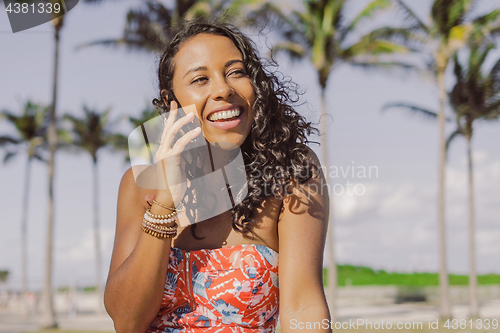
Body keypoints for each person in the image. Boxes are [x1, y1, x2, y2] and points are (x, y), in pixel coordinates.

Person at [104, 20, 331, 333]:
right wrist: (165, 203)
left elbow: (303, 308)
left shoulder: (290, 171)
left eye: (236, 72)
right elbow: (127, 321)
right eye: (200, 78)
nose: (224, 89)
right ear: (171, 101)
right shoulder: (139, 182)